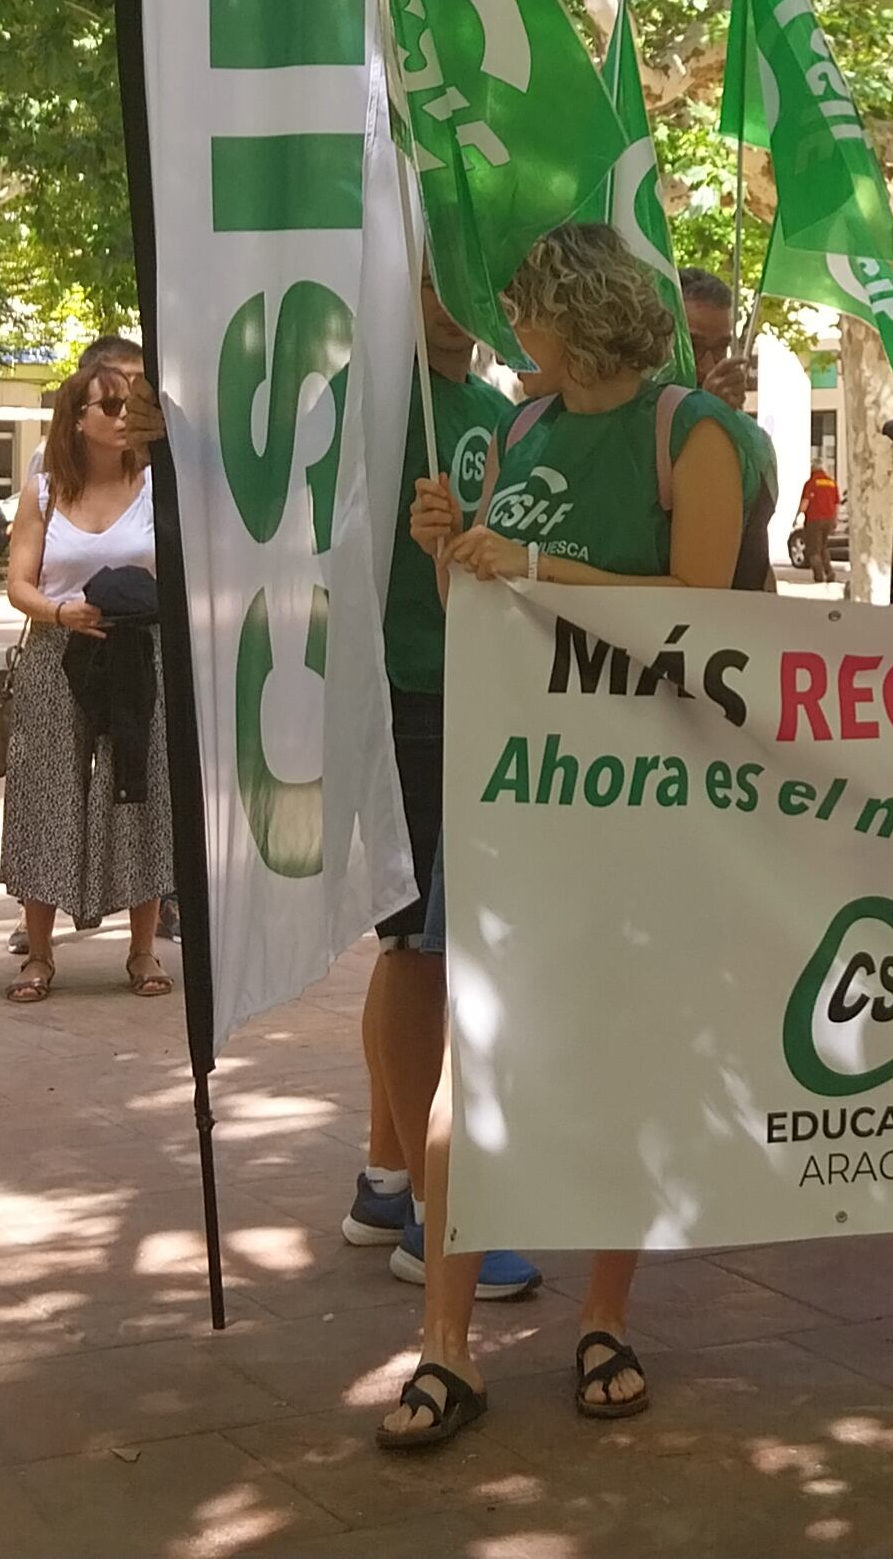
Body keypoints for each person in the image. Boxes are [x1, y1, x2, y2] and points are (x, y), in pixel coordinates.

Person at [380, 223, 744, 1452]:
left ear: (571, 314)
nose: (504, 329)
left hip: (637, 795)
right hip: (513, 786)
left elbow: (705, 609)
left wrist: (538, 560)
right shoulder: (520, 429)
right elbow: (482, 613)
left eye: (521, 307)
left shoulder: (688, 431)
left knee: (621, 1051)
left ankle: (605, 1318)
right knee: (473, 1064)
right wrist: (453, 554)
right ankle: (444, 1342)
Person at [341, 280, 541, 1304]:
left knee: (424, 941)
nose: (452, 302)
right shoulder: (365, 397)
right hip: (401, 690)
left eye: (468, 282)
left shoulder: (504, 412)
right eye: (428, 277)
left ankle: (387, 1174)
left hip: (480, 687)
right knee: (420, 946)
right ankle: (434, 1206)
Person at [0, 343, 175, 1001]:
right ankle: (38, 954)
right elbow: (18, 584)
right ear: (77, 416)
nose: (123, 412)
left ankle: (143, 952)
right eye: (109, 403)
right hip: (59, 651)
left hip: (137, 651)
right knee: (49, 793)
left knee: (140, 788)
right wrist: (58, 612)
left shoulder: (162, 481)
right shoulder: (44, 490)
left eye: (132, 402)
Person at [676, 268, 781, 591]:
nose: (709, 365)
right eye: (693, 346)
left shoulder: (754, 440)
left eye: (720, 348)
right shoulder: (634, 429)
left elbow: (757, 554)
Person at [794, 463, 840, 581]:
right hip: (828, 520)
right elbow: (837, 504)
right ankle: (829, 572)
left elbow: (805, 503)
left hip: (814, 520)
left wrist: (797, 517)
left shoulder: (811, 483)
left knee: (813, 550)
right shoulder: (832, 483)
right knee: (823, 547)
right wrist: (835, 519)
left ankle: (818, 576)